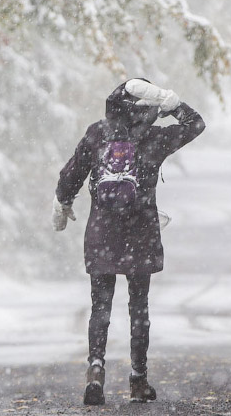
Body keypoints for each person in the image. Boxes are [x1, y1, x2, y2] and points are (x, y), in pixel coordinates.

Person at [52, 78, 206, 405]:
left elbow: (72, 175)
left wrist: (62, 202)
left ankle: (96, 369)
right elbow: (196, 124)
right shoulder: (154, 138)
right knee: (139, 309)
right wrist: (173, 104)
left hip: (102, 232)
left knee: (101, 307)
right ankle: (138, 379)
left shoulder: (97, 135)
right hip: (141, 234)